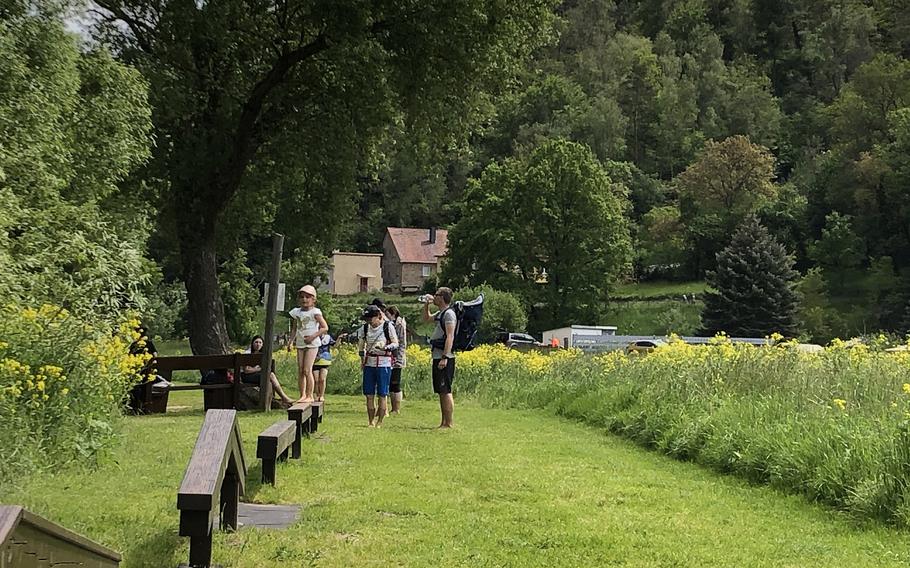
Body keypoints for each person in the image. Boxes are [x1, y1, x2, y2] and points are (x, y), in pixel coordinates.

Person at [357, 304, 398, 428]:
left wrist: (385, 347)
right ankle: (370, 421)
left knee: (382, 394)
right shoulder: (364, 328)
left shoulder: (387, 326)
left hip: (383, 363)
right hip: (369, 362)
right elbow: (361, 344)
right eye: (367, 319)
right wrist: (362, 358)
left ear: (379, 316)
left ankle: (380, 422)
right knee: (369, 394)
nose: (369, 321)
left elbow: (395, 343)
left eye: (371, 318)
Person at [286, 284, 328, 403]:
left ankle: (310, 395)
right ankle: (302, 394)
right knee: (300, 370)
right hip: (300, 343)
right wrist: (290, 341)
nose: (304, 299)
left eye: (307, 297)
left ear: (313, 299)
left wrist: (312, 337)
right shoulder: (296, 312)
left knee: (307, 369)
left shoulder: (315, 312)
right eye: (302, 297)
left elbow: (324, 327)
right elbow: (295, 328)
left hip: (312, 343)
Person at [423, 287, 456, 428]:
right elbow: (426, 319)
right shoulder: (441, 313)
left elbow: (450, 336)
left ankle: (448, 423)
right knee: (441, 391)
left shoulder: (449, 314)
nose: (434, 297)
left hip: (444, 357)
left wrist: (444, 356)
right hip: (438, 356)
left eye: (436, 295)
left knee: (445, 390)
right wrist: (426, 305)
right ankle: (443, 422)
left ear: (442, 297)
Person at [243, 335, 294, 407]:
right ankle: (284, 397)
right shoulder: (247, 353)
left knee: (270, 379)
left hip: (258, 375)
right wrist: (259, 369)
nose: (258, 344)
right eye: (256, 342)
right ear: (252, 343)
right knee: (270, 376)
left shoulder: (263, 354)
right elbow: (246, 370)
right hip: (247, 376)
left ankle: (270, 404)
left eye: (260, 342)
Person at [386, 305, 407, 414]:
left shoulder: (399, 324)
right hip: (391, 357)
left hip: (397, 357)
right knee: (391, 383)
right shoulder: (393, 324)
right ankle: (393, 407)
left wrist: (398, 358)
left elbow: (400, 342)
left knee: (395, 383)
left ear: (393, 314)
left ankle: (396, 408)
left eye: (387, 314)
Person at [312, 333, 335, 402]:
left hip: (325, 360)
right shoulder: (314, 336)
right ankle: (317, 395)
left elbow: (334, 345)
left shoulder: (328, 337)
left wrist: (339, 338)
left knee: (322, 379)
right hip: (315, 360)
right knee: (316, 380)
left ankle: (321, 395)